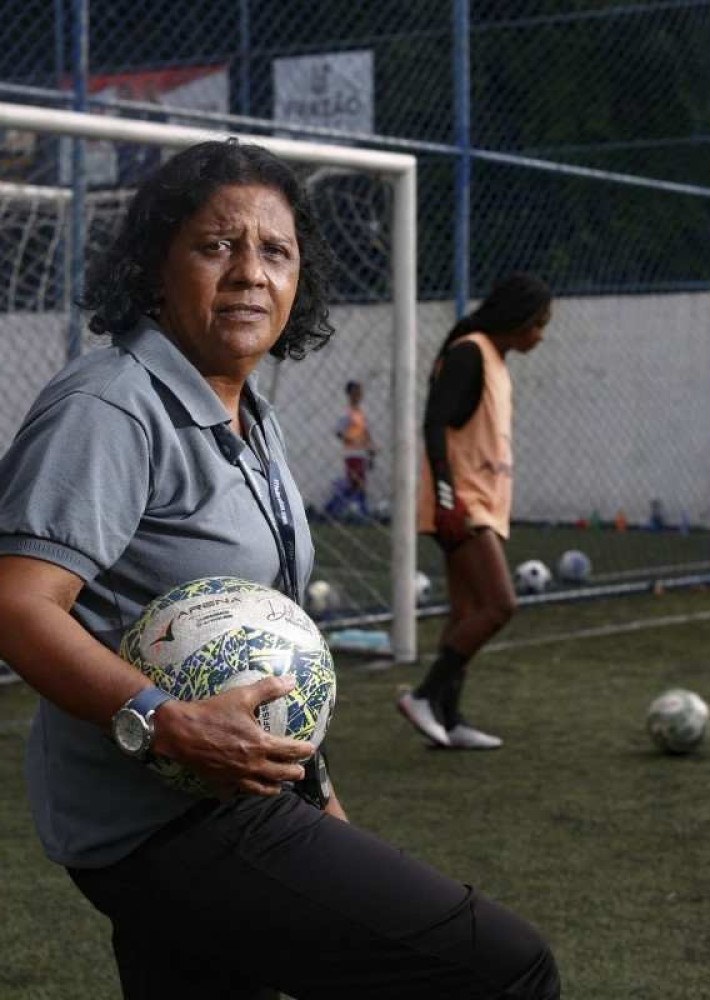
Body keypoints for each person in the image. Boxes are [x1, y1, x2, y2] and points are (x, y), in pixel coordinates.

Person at [0, 141, 559, 1000]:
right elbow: (18, 605)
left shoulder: (250, 416)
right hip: (166, 818)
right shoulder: (110, 406)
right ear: (156, 263)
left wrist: (314, 791)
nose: (249, 274)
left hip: (236, 792)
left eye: (275, 251)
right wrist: (164, 723)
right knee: (507, 971)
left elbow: (268, 635)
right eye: (216, 245)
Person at [398, 273, 553, 751]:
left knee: (466, 610)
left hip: (486, 503)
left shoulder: (497, 362)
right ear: (520, 319)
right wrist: (447, 496)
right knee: (500, 605)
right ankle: (424, 695)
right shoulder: (469, 351)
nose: (541, 335)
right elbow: (434, 425)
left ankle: (449, 717)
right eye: (539, 324)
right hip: (462, 504)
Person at [333, 378, 377, 516]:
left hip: (361, 453)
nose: (360, 394)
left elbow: (365, 432)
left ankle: (349, 510)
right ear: (350, 393)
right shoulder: (347, 412)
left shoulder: (360, 412)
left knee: (358, 484)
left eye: (360, 391)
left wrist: (371, 447)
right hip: (352, 453)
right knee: (356, 483)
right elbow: (339, 432)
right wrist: (353, 440)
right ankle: (339, 509)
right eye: (357, 391)